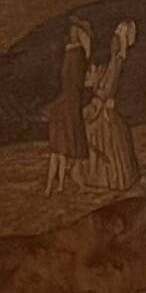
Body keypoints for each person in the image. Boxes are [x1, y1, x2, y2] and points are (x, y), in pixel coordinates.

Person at [82, 19, 139, 201]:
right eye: (112, 40)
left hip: (104, 112)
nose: (112, 43)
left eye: (115, 40)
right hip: (100, 107)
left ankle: (110, 181)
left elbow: (107, 89)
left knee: (102, 137)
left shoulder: (117, 62)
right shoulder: (110, 62)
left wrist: (97, 100)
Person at [45, 15, 91, 193]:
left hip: (71, 99)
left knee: (68, 139)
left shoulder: (75, 54)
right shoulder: (72, 53)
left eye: (75, 29)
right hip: (69, 98)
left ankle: (68, 182)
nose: (72, 32)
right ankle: (60, 183)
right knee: (65, 142)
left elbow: (73, 82)